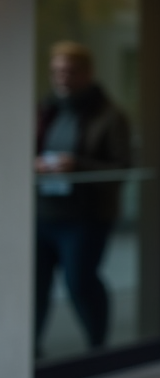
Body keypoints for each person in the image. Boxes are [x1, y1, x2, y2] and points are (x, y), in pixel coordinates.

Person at [34, 41, 132, 356]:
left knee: (79, 283)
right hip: (43, 212)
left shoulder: (110, 116)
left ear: (87, 73)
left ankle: (97, 348)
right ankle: (29, 349)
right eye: (56, 71)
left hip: (84, 217)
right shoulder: (44, 111)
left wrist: (78, 165)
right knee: (35, 284)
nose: (62, 77)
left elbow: (121, 168)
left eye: (70, 71)